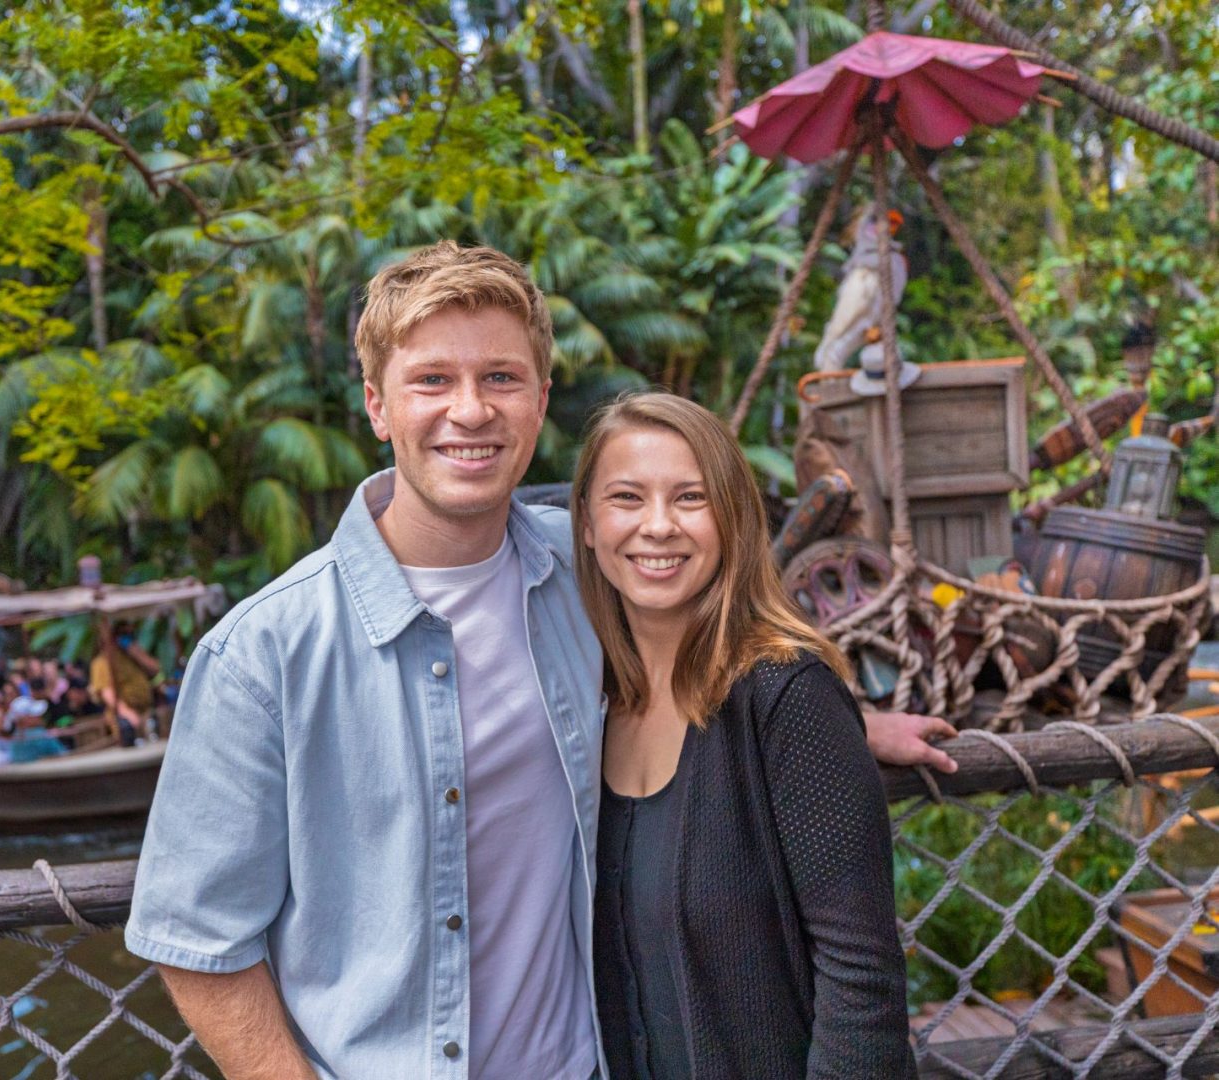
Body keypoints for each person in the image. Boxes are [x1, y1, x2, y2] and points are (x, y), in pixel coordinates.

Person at [128, 241, 952, 1079]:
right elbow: (198, 939)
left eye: (500, 378)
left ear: (541, 399)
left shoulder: (590, 570)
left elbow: (718, 645)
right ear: (377, 405)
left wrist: (827, 728)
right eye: (432, 381)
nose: (470, 410)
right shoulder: (261, 656)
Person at [575, 391, 913, 1077]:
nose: (659, 526)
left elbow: (863, 982)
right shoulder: (585, 702)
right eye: (627, 498)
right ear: (586, 523)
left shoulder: (787, 697)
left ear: (732, 518)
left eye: (691, 498)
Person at [89, 625, 160, 743]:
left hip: (146, 713)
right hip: (126, 719)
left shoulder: (130, 654)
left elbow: (155, 669)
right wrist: (127, 713)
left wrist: (136, 653)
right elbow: (106, 692)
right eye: (122, 634)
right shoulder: (101, 662)